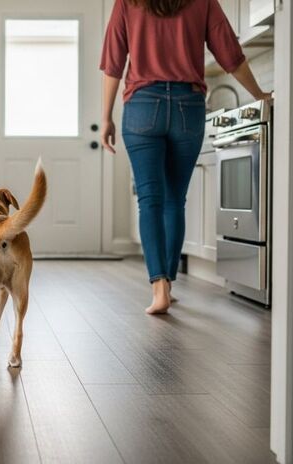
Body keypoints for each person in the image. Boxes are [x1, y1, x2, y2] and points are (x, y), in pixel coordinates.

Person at [99, 0, 271, 315]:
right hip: (187, 106)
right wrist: (259, 94)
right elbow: (230, 55)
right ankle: (169, 285)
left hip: (142, 105)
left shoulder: (127, 2)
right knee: (174, 200)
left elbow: (113, 62)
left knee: (149, 200)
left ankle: (158, 287)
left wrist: (106, 116)